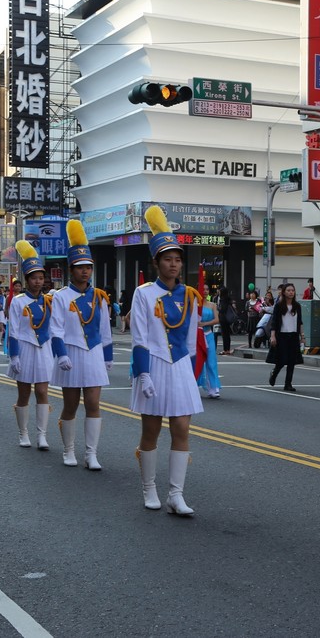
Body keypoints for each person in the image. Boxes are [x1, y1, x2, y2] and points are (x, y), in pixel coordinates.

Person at [131, 205, 204, 515]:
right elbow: (140, 337)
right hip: (154, 364)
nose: (173, 264)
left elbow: (190, 340)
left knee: (182, 429)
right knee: (151, 430)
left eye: (177, 259)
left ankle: (176, 495)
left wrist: (192, 374)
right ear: (156, 262)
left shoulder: (190, 295)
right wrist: (143, 374)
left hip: (180, 366)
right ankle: (149, 488)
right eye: (167, 259)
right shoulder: (144, 293)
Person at [50, 220, 113, 469]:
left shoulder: (100, 297)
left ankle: (91, 454)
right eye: (80, 267)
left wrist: (108, 356)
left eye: (88, 267)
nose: (85, 272)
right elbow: (55, 328)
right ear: (71, 269)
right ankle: (68, 450)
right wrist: (61, 354)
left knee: (94, 404)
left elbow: (105, 330)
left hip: (94, 352)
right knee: (71, 405)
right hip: (72, 353)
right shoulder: (61, 297)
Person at [8, 241, 55, 450]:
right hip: (25, 348)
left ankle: (42, 435)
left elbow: (54, 328)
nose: (38, 282)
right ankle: (23, 432)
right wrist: (14, 356)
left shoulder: (49, 301)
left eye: (41, 278)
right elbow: (14, 330)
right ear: (27, 280)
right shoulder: (18, 301)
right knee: (24, 393)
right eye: (34, 278)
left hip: (44, 348)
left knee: (43, 392)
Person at [266, 283, 304, 391]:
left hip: (293, 336)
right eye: (288, 290)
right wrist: (273, 336)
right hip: (281, 336)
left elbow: (300, 322)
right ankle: (274, 373)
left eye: (292, 290)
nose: (291, 292)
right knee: (281, 360)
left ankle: (288, 384)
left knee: (292, 361)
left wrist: (302, 336)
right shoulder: (279, 306)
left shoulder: (297, 306)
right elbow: (274, 322)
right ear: (284, 292)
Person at [198, 299, 222, 399]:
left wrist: (204, 324)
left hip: (209, 334)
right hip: (197, 336)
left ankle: (214, 387)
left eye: (207, 290)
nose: (205, 291)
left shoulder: (212, 305)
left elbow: (217, 320)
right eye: (203, 290)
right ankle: (193, 386)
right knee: (197, 362)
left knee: (211, 361)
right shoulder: (194, 304)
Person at [217, 286, 234, 354]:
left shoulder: (223, 300)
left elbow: (222, 309)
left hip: (223, 319)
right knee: (227, 335)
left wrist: (217, 307)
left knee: (224, 335)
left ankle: (225, 350)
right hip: (227, 319)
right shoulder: (228, 299)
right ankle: (227, 349)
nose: (219, 293)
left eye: (220, 291)